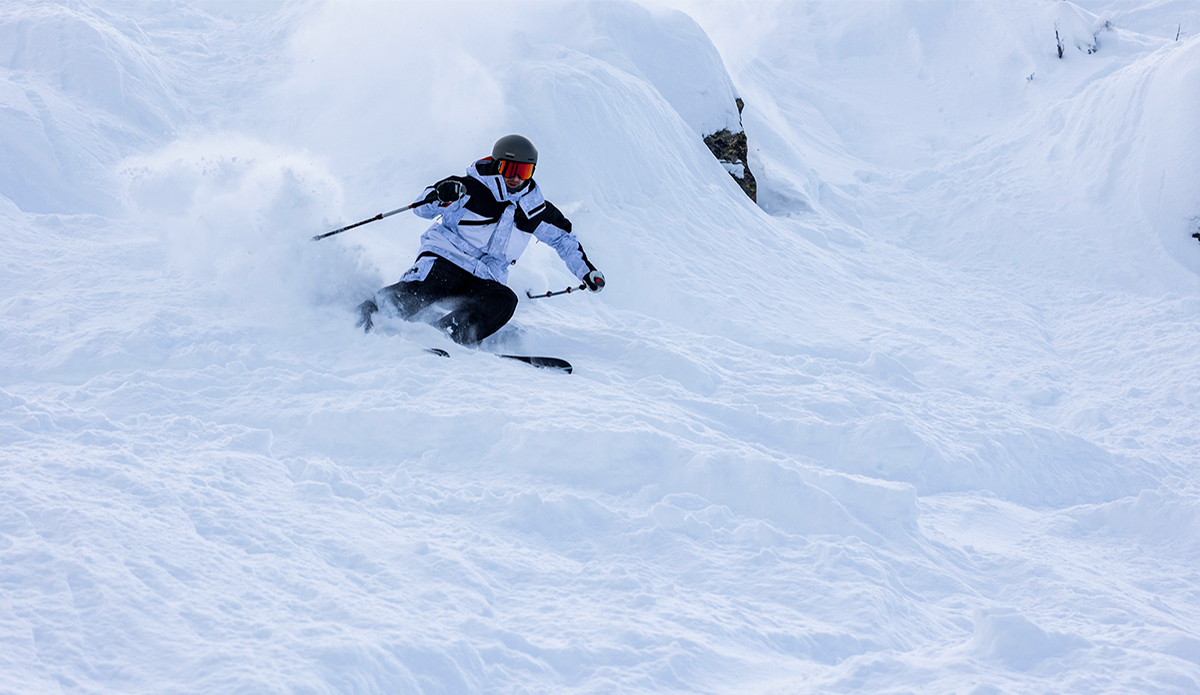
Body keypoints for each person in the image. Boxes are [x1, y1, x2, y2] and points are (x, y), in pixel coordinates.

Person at [355, 134, 604, 345]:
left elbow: (565, 241)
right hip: (447, 259)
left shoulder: (536, 210)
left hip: (485, 276)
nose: (515, 178)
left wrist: (586, 273)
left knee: (505, 300)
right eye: (510, 169)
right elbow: (422, 207)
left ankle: (446, 335)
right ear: (497, 165)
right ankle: (371, 313)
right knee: (429, 287)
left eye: (524, 171)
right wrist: (442, 195)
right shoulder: (468, 188)